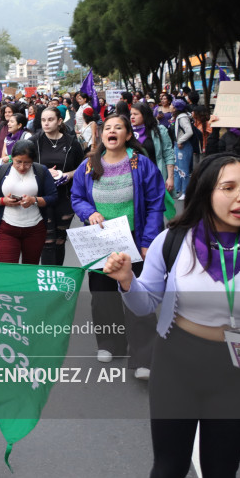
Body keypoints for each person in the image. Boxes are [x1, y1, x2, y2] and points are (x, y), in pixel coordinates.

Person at [103, 152, 240, 478]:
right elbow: (144, 305)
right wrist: (127, 280)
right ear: (204, 193)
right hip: (176, 366)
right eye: (229, 187)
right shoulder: (172, 242)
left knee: (221, 470)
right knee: (169, 468)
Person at [71, 114, 165, 379]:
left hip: (133, 240)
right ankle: (109, 343)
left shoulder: (142, 164)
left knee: (136, 295)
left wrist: (148, 242)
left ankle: (144, 356)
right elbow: (76, 196)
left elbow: (156, 204)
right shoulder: (89, 165)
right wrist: (89, 212)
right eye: (107, 128)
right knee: (102, 295)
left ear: (127, 135)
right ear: (101, 136)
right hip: (99, 241)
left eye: (118, 127)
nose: (112, 131)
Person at [0, 140, 57, 264]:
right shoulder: (2, 170)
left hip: (35, 229)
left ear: (33, 160)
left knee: (29, 269)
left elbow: (53, 197)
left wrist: (34, 200)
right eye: (18, 162)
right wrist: (3, 201)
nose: (22, 167)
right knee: (8, 270)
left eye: (27, 163)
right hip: (6, 228)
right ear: (12, 158)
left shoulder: (41, 171)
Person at [30, 107, 85, 265]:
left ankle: (58, 276)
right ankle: (48, 282)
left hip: (64, 197)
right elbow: (23, 164)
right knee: (47, 241)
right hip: (42, 197)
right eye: (43, 120)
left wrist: (68, 175)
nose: (46, 123)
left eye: (50, 119)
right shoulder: (35, 141)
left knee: (60, 241)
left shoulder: (71, 142)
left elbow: (82, 168)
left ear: (59, 121)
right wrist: (43, 171)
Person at [130, 102, 175, 195]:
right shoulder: (127, 133)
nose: (132, 117)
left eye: (136, 114)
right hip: (133, 179)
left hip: (155, 177)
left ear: (145, 115)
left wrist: (170, 178)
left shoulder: (159, 130)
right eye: (131, 114)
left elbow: (168, 154)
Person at [171, 99, 194, 200]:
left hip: (183, 146)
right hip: (178, 145)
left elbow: (189, 132)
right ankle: (177, 190)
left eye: (172, 105)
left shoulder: (182, 117)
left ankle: (185, 192)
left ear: (176, 108)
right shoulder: (178, 117)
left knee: (183, 170)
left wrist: (180, 141)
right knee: (177, 169)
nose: (171, 106)